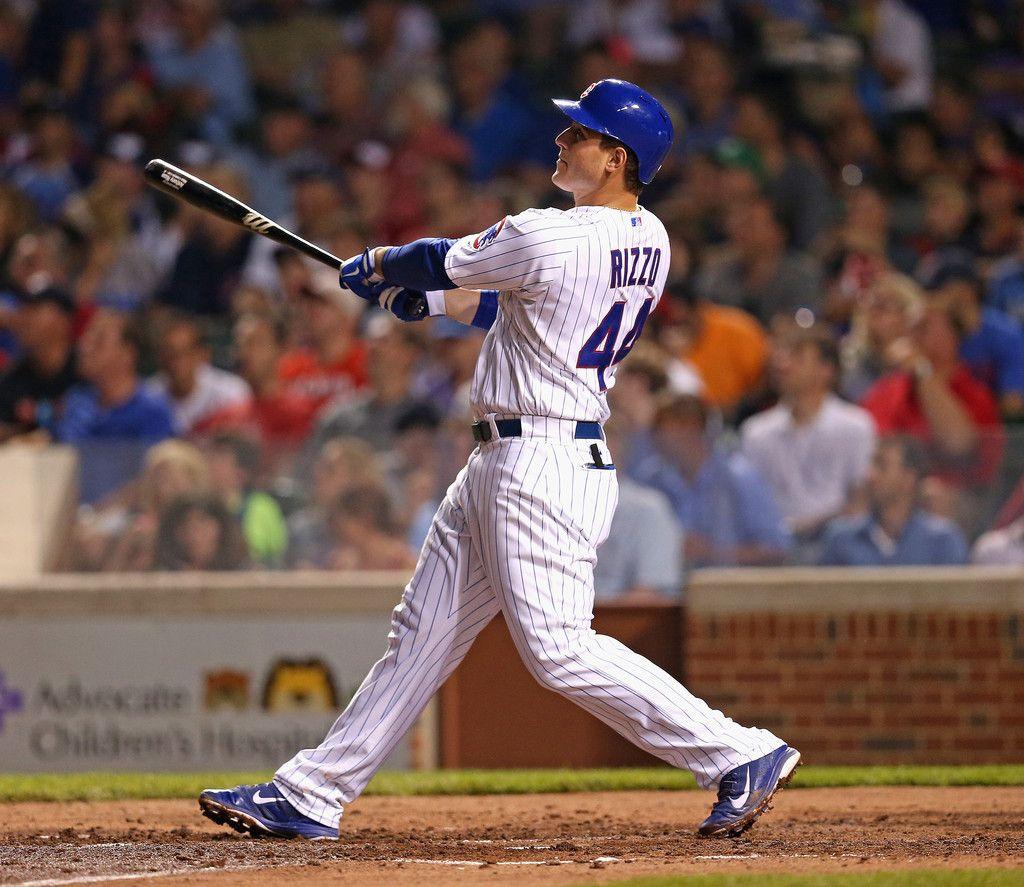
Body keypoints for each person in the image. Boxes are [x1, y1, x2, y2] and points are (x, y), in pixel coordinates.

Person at [199, 79, 799, 841]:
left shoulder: (553, 231)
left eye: (578, 135)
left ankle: (736, 750)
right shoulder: (649, 237)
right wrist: (428, 297)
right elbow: (509, 297)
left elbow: (434, 258)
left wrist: (378, 265)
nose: (561, 142)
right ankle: (313, 791)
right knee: (422, 631)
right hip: (513, 457)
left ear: (616, 159)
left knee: (557, 648)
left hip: (540, 461)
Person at [741, 326, 876, 550]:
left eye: (797, 356)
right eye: (782, 356)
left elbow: (861, 499)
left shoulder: (855, 426)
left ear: (826, 369)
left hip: (836, 544)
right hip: (774, 546)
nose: (784, 365)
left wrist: (814, 527)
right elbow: (750, 503)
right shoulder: (756, 432)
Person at [633, 394, 791, 568]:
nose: (654, 437)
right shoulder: (650, 477)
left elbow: (777, 549)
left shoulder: (738, 477)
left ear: (690, 427)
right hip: (663, 586)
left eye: (661, 428)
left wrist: (712, 552)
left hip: (728, 587)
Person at [819, 436, 967, 566]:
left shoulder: (942, 541)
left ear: (908, 478)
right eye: (872, 465)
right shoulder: (841, 539)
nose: (870, 475)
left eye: (882, 466)